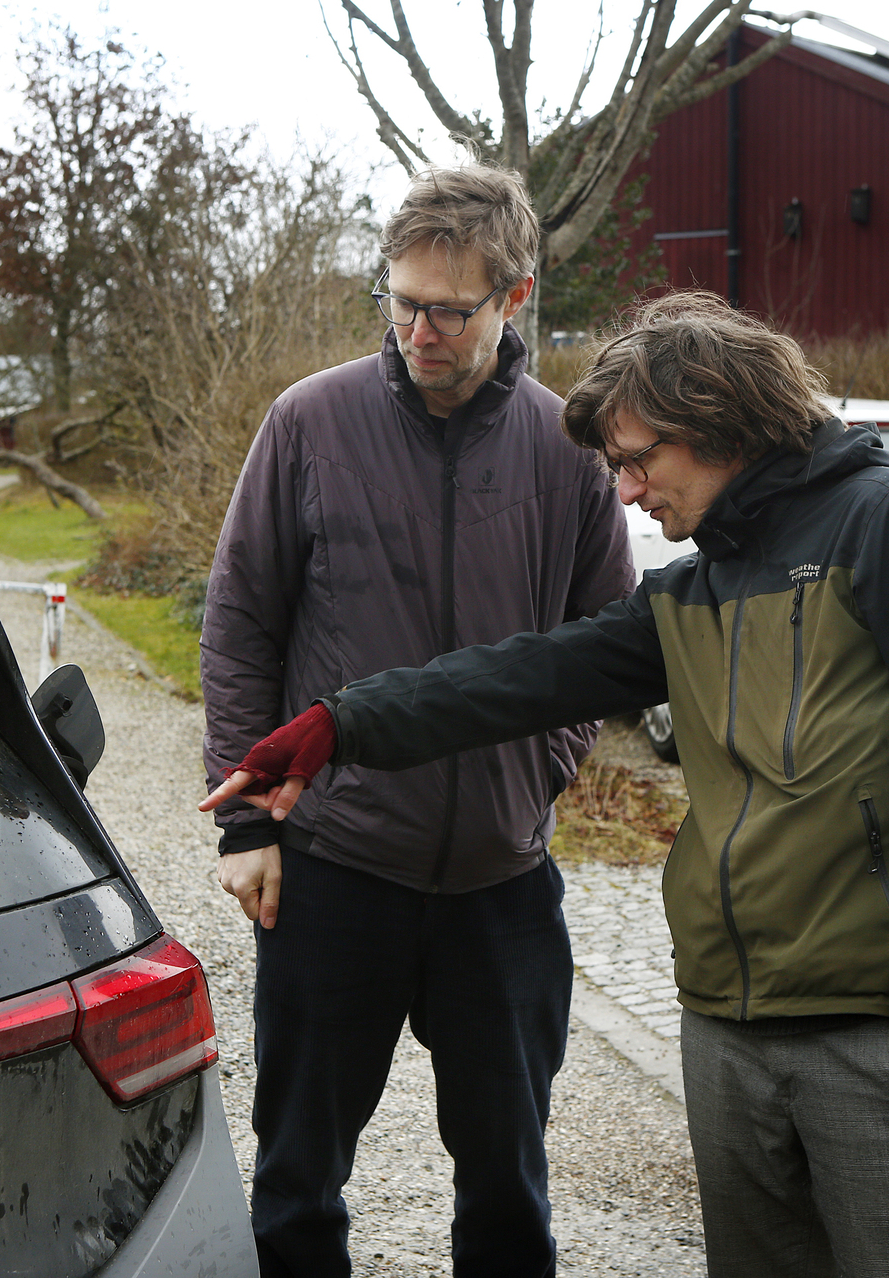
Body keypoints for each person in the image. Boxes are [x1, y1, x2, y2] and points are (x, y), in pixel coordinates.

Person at [204, 292, 889, 1277]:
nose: (630, 490)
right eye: (616, 468)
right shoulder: (696, 585)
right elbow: (518, 675)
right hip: (729, 1027)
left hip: (875, 1033)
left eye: (640, 459)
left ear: (719, 419)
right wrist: (341, 722)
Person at [200, 163, 635, 1276]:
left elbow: (609, 642)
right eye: (399, 300)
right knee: (298, 1183)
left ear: (517, 297)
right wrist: (248, 826)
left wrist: (534, 773)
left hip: (503, 889)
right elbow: (243, 618)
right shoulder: (309, 423)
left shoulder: (567, 451)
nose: (418, 330)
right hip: (338, 868)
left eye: (450, 308)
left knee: (508, 1193)